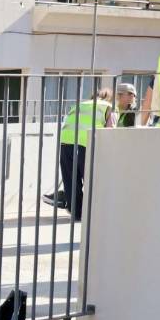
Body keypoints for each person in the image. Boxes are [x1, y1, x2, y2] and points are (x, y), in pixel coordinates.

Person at [51, 87, 113, 222]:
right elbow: (110, 130)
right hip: (85, 144)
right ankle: (95, 213)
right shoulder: (108, 107)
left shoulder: (80, 105)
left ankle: (77, 213)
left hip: (65, 143)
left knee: (71, 180)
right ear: (108, 97)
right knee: (92, 180)